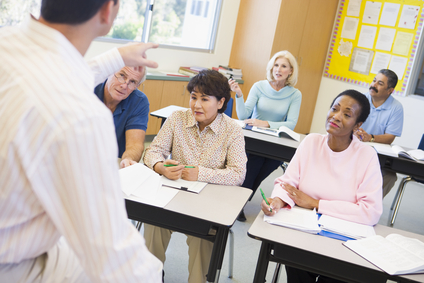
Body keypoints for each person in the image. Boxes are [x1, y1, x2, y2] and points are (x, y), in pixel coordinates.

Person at [0, 0, 163, 282]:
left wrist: (115, 58)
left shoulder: (8, 43)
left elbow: (53, 74)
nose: (125, 85)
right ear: (108, 10)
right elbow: (111, 254)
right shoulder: (82, 116)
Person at [262, 89, 383, 283]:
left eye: (346, 114)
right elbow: (287, 182)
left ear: (358, 125)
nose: (336, 116)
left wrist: (316, 203)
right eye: (334, 109)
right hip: (302, 234)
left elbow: (370, 211)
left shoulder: (367, 156)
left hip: (342, 242)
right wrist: (277, 200)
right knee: (294, 262)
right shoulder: (311, 142)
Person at [143, 69, 247, 283]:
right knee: (153, 223)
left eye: (204, 99)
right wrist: (161, 167)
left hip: (207, 203)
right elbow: (152, 152)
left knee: (203, 239)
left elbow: (238, 174)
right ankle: (151, 276)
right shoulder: (177, 118)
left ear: (220, 102)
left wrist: (201, 173)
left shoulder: (232, 130)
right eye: (193, 97)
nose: (196, 105)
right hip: (171, 196)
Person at [228, 50, 302, 221]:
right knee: (251, 171)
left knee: (261, 174)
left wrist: (266, 123)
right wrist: (239, 94)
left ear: (290, 71)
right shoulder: (259, 86)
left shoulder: (295, 94)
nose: (278, 69)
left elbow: (291, 123)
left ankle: (241, 202)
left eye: (284, 66)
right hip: (255, 140)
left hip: (276, 142)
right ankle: (237, 205)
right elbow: (243, 115)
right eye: (276, 65)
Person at [354, 69, 404, 197]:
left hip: (377, 155)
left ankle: (367, 206)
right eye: (374, 80)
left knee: (390, 177)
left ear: (390, 90)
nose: (373, 85)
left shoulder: (396, 108)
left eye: (380, 83)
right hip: (353, 149)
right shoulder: (359, 99)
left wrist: (370, 138)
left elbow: (390, 137)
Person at [94, 66, 149, 168]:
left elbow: (135, 145)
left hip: (113, 165)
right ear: (109, 72)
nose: (124, 85)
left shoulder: (139, 101)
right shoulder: (90, 89)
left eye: (132, 82)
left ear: (138, 86)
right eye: (122, 76)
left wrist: (128, 159)